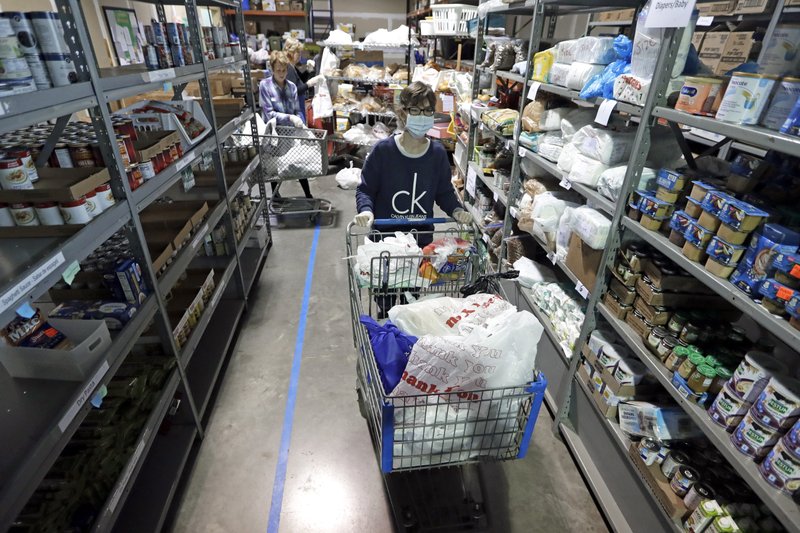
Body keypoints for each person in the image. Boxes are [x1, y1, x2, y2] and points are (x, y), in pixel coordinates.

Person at [353, 81, 473, 246]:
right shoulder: (383, 151)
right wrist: (366, 210)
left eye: (428, 110)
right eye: (415, 110)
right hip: (384, 242)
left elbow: (443, 192)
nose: (422, 116)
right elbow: (366, 189)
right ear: (403, 113)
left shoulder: (437, 154)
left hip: (421, 240)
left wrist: (456, 210)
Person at [259, 51, 313, 199]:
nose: (281, 73)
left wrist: (300, 121)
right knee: (275, 167)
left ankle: (308, 194)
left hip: (290, 134)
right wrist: (290, 118)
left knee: (297, 163)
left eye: (284, 70)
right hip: (274, 134)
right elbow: (269, 113)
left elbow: (296, 109)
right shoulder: (265, 86)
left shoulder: (292, 87)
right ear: (272, 69)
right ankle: (276, 196)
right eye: (278, 70)